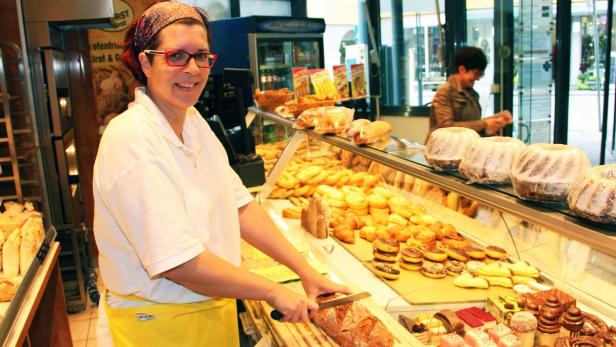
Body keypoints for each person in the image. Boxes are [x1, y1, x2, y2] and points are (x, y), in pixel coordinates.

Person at [92, 2, 349, 346]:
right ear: (145, 62)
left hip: (207, 313)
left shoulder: (193, 122)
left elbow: (240, 206)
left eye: (202, 56)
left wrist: (306, 272)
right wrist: (272, 292)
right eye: (176, 56)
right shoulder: (132, 139)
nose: (193, 69)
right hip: (158, 326)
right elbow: (178, 263)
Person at [428, 46, 511, 138]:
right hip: (444, 149)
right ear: (462, 69)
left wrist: (491, 127)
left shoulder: (472, 94)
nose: (478, 78)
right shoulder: (445, 92)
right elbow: (446, 128)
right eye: (476, 73)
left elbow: (473, 127)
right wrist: (484, 124)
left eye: (480, 74)